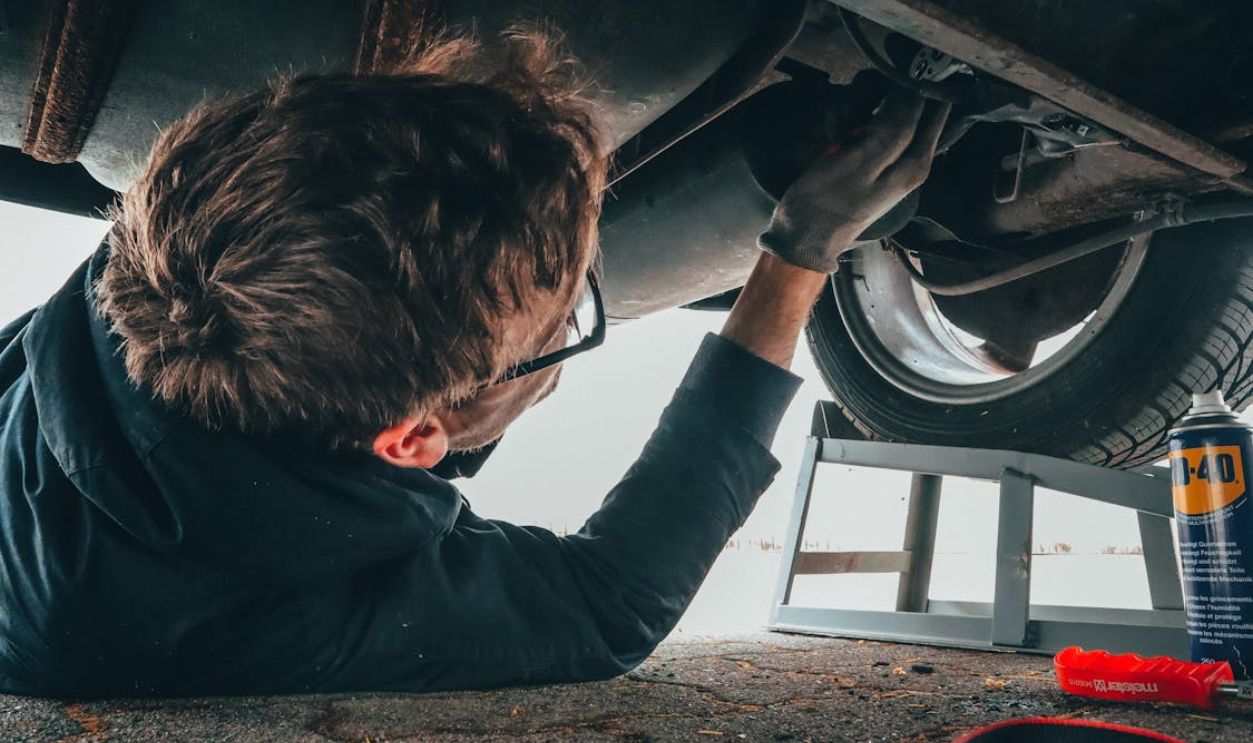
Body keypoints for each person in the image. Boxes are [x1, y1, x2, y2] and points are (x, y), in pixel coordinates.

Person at [0, 31, 948, 697]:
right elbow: (611, 602)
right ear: (411, 438)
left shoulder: (181, 252)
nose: (572, 313)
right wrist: (797, 253)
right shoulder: (241, 613)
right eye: (564, 321)